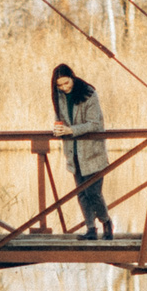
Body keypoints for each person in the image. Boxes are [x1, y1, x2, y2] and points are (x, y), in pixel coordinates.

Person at [50, 63, 116, 241]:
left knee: (93, 192)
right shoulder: (59, 96)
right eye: (60, 85)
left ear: (73, 77)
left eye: (66, 83)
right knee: (81, 193)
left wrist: (71, 130)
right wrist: (57, 128)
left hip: (92, 151)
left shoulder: (89, 93)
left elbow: (95, 124)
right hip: (73, 151)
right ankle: (90, 229)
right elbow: (59, 117)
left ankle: (106, 222)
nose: (64, 88)